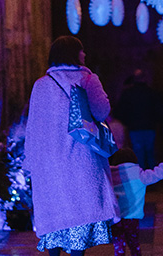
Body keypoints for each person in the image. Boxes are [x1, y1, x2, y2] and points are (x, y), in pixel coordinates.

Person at [25, 36, 120, 256]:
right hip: (82, 160)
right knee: (80, 216)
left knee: (55, 215)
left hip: (49, 164)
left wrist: (30, 161)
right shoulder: (88, 79)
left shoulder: (41, 85)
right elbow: (101, 112)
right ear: (73, 54)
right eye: (81, 50)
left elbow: (34, 126)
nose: (84, 54)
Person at [108, 148, 163, 256]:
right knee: (134, 244)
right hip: (132, 218)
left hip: (115, 218)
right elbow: (156, 174)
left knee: (119, 245)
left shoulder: (110, 175)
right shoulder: (138, 174)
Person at [114, 69, 159, 170]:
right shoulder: (151, 93)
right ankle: (153, 178)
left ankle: (141, 179)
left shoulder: (128, 93)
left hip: (134, 128)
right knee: (150, 153)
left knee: (138, 154)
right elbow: (158, 111)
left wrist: (127, 122)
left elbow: (120, 111)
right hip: (149, 127)